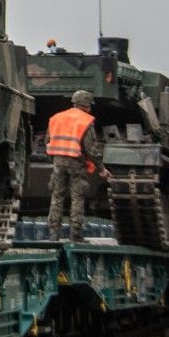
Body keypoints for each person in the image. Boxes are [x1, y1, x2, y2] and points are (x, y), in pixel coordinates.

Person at [46, 89, 107, 242]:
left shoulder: (56, 118)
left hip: (58, 162)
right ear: (86, 105)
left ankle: (53, 234)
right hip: (75, 162)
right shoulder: (85, 120)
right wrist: (101, 169)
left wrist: (52, 159)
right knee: (77, 197)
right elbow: (90, 149)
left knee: (57, 196)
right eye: (90, 106)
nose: (90, 109)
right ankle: (75, 234)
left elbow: (48, 140)